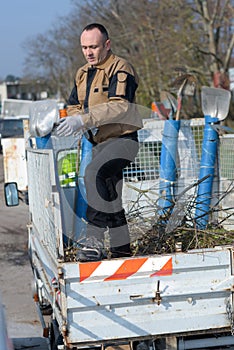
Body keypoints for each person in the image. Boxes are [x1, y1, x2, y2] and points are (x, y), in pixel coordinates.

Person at [55, 23, 142, 261]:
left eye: (93, 46)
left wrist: (85, 120)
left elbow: (120, 105)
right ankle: (122, 250)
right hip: (99, 143)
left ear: (107, 45)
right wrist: (74, 119)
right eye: (84, 47)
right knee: (111, 197)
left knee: (93, 173)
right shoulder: (82, 73)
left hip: (123, 140)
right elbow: (74, 104)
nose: (89, 52)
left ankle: (94, 240)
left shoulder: (120, 67)